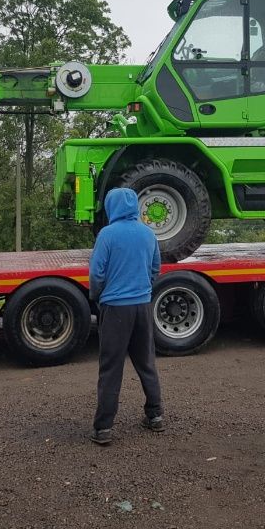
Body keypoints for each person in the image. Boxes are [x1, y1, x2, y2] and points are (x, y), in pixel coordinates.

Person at [88, 187, 164, 445]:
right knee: (146, 363)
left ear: (112, 207)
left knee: (111, 368)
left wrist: (97, 296)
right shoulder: (148, 233)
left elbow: (97, 274)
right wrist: (143, 288)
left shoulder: (107, 235)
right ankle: (155, 416)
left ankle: (104, 428)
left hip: (115, 308)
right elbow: (156, 267)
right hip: (142, 307)